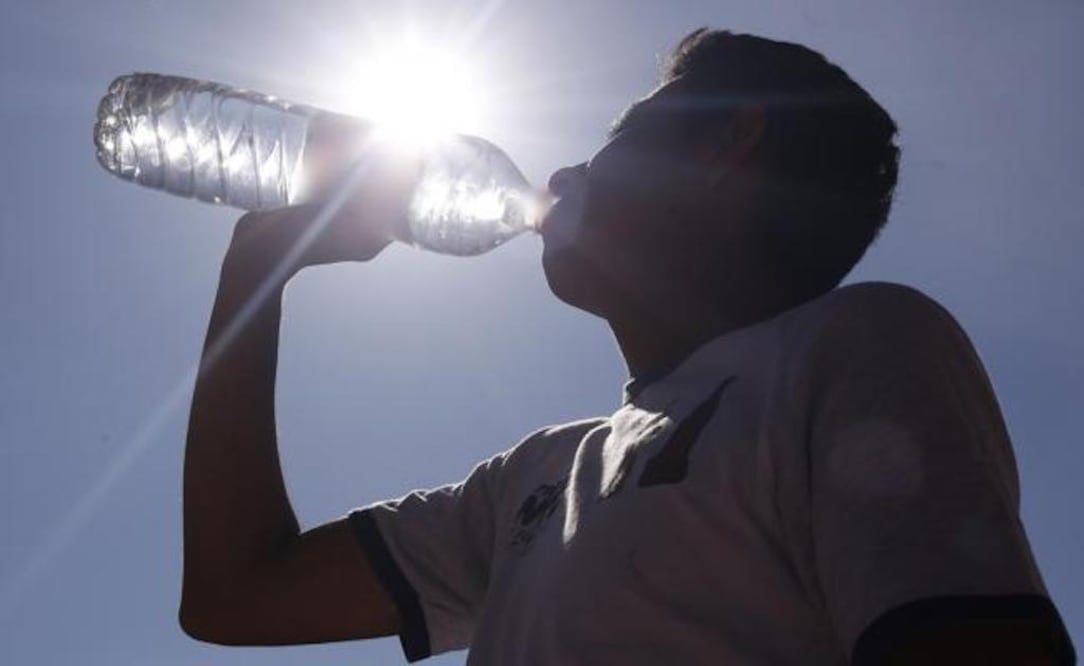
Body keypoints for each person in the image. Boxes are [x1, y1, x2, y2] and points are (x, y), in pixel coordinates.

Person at [177, 28, 1076, 665]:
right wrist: (255, 278)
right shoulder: (531, 480)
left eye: (614, 138)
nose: (563, 173)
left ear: (729, 142)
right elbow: (236, 597)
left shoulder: (857, 343)